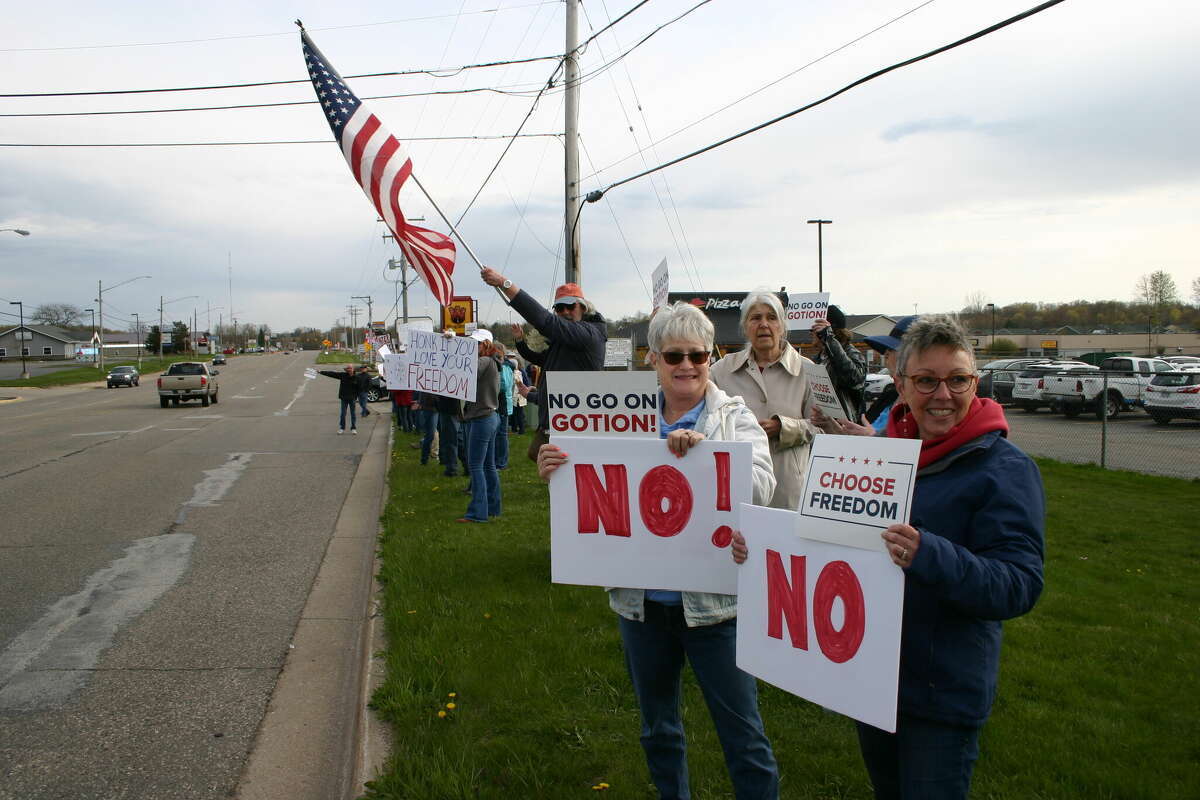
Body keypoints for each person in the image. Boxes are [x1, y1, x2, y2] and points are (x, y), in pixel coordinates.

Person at [739, 314, 1045, 800]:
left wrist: (929, 553)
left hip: (942, 695)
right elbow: (823, 543)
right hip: (871, 681)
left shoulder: (1004, 470)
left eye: (957, 380)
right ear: (901, 383)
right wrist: (758, 548)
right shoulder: (879, 456)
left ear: (975, 381)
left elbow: (1018, 585)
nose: (943, 395)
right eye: (926, 381)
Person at [537, 302, 780, 800]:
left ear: (712, 357)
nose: (687, 366)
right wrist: (556, 469)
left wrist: (708, 458)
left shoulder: (732, 417)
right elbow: (594, 491)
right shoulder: (615, 416)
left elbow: (764, 485)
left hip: (718, 610)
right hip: (641, 606)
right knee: (658, 729)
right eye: (674, 356)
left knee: (744, 735)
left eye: (698, 355)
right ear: (654, 359)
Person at [479, 267, 607, 461]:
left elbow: (545, 321)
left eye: (570, 306)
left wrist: (504, 284)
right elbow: (540, 358)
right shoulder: (565, 342)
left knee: (558, 467)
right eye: (559, 308)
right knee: (541, 459)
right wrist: (521, 343)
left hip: (574, 421)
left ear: (583, 307)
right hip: (555, 417)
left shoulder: (589, 334)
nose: (564, 312)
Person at [710, 290, 820, 509]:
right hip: (738, 488)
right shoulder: (721, 371)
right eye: (755, 318)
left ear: (782, 325)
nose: (763, 324)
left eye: (771, 317)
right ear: (745, 327)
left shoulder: (808, 370)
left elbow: (825, 428)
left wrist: (784, 427)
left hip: (789, 491)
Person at [459, 329, 502, 523]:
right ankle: (493, 507)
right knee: (488, 466)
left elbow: (465, 371)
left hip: (482, 418)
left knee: (476, 466)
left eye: (475, 344)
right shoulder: (492, 361)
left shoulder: (484, 361)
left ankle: (477, 513)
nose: (472, 347)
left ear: (485, 344)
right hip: (490, 416)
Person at [862, 316, 918, 434]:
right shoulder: (891, 394)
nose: (886, 363)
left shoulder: (923, 404)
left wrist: (873, 437)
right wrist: (834, 429)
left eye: (888, 355)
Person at [810, 305, 867, 421]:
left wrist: (829, 339)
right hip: (820, 423)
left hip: (845, 427)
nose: (810, 333)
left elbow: (855, 380)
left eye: (814, 330)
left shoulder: (852, 354)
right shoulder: (817, 359)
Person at [318, 364, 362, 434]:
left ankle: (353, 428)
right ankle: (342, 428)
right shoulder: (343, 375)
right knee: (343, 414)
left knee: (353, 413)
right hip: (344, 398)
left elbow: (360, 388)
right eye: (348, 368)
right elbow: (332, 374)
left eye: (350, 368)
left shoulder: (357, 378)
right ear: (347, 370)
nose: (349, 369)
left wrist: (358, 397)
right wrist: (321, 372)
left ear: (353, 369)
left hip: (352, 398)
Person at [494, 343, 514, 469]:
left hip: (503, 404)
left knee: (501, 434)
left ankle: (501, 462)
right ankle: (497, 460)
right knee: (497, 434)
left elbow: (505, 385)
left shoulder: (506, 366)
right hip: (498, 402)